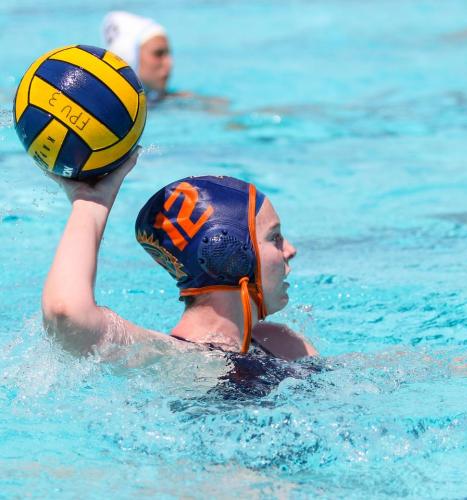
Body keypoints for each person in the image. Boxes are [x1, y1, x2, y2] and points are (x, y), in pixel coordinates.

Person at [41, 149, 318, 362]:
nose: (290, 249)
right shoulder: (172, 361)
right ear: (228, 253)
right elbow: (66, 314)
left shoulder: (283, 344)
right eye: (275, 237)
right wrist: (90, 204)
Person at [101, 11, 229, 113]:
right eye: (158, 54)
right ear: (130, 58)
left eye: (168, 54)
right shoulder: (106, 108)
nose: (169, 63)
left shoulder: (171, 100)